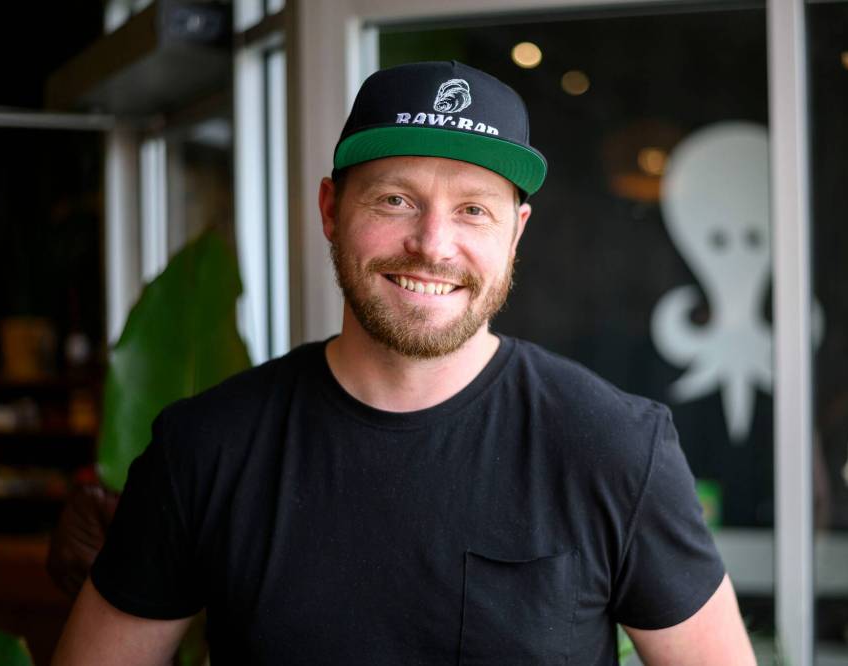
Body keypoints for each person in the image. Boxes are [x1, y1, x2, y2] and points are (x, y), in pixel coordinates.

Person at [54, 61, 756, 665]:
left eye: (473, 210)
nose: (433, 244)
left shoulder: (614, 447)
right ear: (331, 210)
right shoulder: (206, 448)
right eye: (395, 199)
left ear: (516, 234)